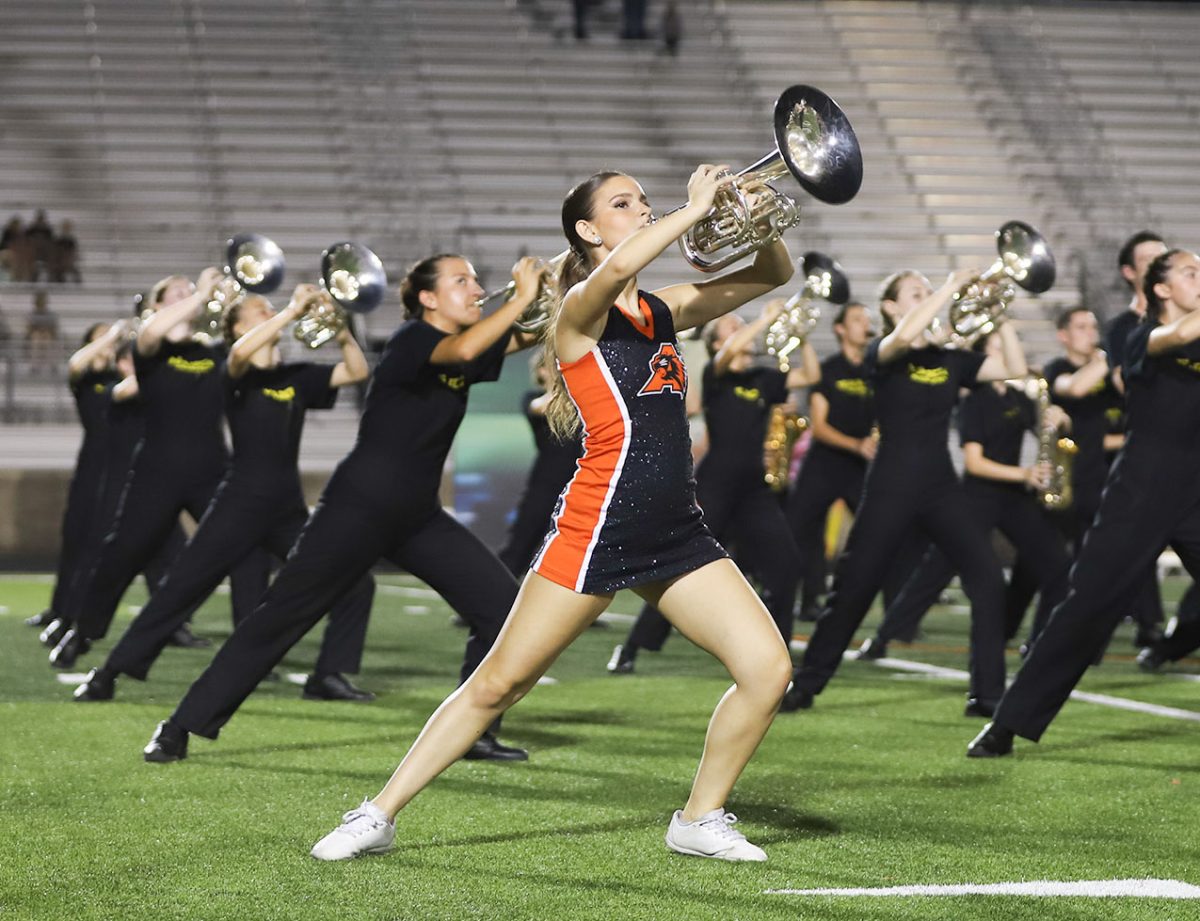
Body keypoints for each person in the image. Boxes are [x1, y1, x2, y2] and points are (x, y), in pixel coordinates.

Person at [309, 166, 795, 863]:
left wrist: (755, 216)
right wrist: (692, 211)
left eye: (642, 201)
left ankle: (699, 816)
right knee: (499, 683)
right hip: (599, 525)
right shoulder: (578, 311)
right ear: (589, 231)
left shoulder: (662, 309)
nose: (642, 210)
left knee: (767, 669)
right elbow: (623, 266)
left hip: (677, 531)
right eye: (623, 204)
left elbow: (768, 275)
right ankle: (377, 812)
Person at [140, 254, 547, 764]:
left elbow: (522, 338)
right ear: (427, 298)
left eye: (474, 280)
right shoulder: (412, 340)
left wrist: (577, 279)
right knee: (283, 614)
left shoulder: (464, 349)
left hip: (417, 515)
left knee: (502, 608)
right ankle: (180, 725)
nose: (475, 288)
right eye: (460, 281)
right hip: (358, 507)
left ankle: (472, 731)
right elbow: (469, 344)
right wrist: (523, 296)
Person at [73, 287, 376, 703]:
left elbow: (356, 372)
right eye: (259, 310)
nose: (268, 311)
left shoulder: (295, 377)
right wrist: (289, 312)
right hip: (240, 503)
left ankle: (328, 674)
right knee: (182, 589)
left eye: (270, 307)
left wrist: (341, 330)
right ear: (236, 328)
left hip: (286, 508)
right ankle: (110, 671)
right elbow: (238, 355)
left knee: (355, 581)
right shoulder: (235, 373)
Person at [969, 249, 1200, 756]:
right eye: (1190, 272)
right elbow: (1179, 336)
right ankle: (1007, 723)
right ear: (1160, 289)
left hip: (1196, 491)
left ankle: (1166, 645)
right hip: (1140, 491)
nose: (1199, 279)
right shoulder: (1135, 333)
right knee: (1087, 609)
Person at [780, 267, 1027, 717]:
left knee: (988, 578)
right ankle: (807, 682)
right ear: (891, 307)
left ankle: (986, 694)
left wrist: (999, 313)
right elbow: (905, 335)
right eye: (916, 292)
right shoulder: (883, 352)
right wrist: (950, 288)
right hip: (892, 482)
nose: (928, 296)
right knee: (854, 588)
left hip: (939, 485)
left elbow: (1013, 367)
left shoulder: (949, 358)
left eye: (929, 291)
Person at [47, 270, 268, 668]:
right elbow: (151, 333)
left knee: (249, 551)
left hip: (212, 471)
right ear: (157, 306)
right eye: (177, 292)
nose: (188, 294)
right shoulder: (149, 349)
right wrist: (200, 294)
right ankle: (83, 631)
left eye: (190, 289)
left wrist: (243, 305)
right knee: (122, 556)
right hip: (157, 472)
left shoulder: (214, 352)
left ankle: (247, 654)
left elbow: (254, 346)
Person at [608, 297, 817, 673]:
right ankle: (633, 647)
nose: (741, 333)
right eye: (731, 328)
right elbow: (729, 353)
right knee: (676, 567)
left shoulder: (762, 379)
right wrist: (763, 319)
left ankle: (780, 657)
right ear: (718, 342)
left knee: (786, 566)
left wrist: (800, 336)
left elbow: (811, 376)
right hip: (715, 484)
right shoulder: (716, 375)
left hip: (753, 489)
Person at [856, 333, 1072, 659]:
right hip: (976, 497)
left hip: (1013, 498)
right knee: (935, 573)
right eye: (998, 348)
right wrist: (1025, 474)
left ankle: (1037, 641)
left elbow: (1045, 429)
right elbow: (974, 463)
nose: (1007, 355)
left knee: (1057, 564)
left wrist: (1059, 419)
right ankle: (885, 637)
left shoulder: (1016, 399)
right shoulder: (974, 400)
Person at [25, 322, 126, 629]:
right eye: (101, 339)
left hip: (122, 467)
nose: (109, 345)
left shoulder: (118, 376)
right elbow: (75, 363)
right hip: (91, 465)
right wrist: (111, 335)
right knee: (75, 539)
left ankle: (174, 627)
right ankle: (60, 610)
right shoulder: (85, 378)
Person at [496, 353, 582, 576]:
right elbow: (546, 405)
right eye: (553, 366)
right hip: (545, 482)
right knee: (519, 548)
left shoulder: (580, 398)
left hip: (578, 483)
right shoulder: (533, 399)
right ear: (541, 371)